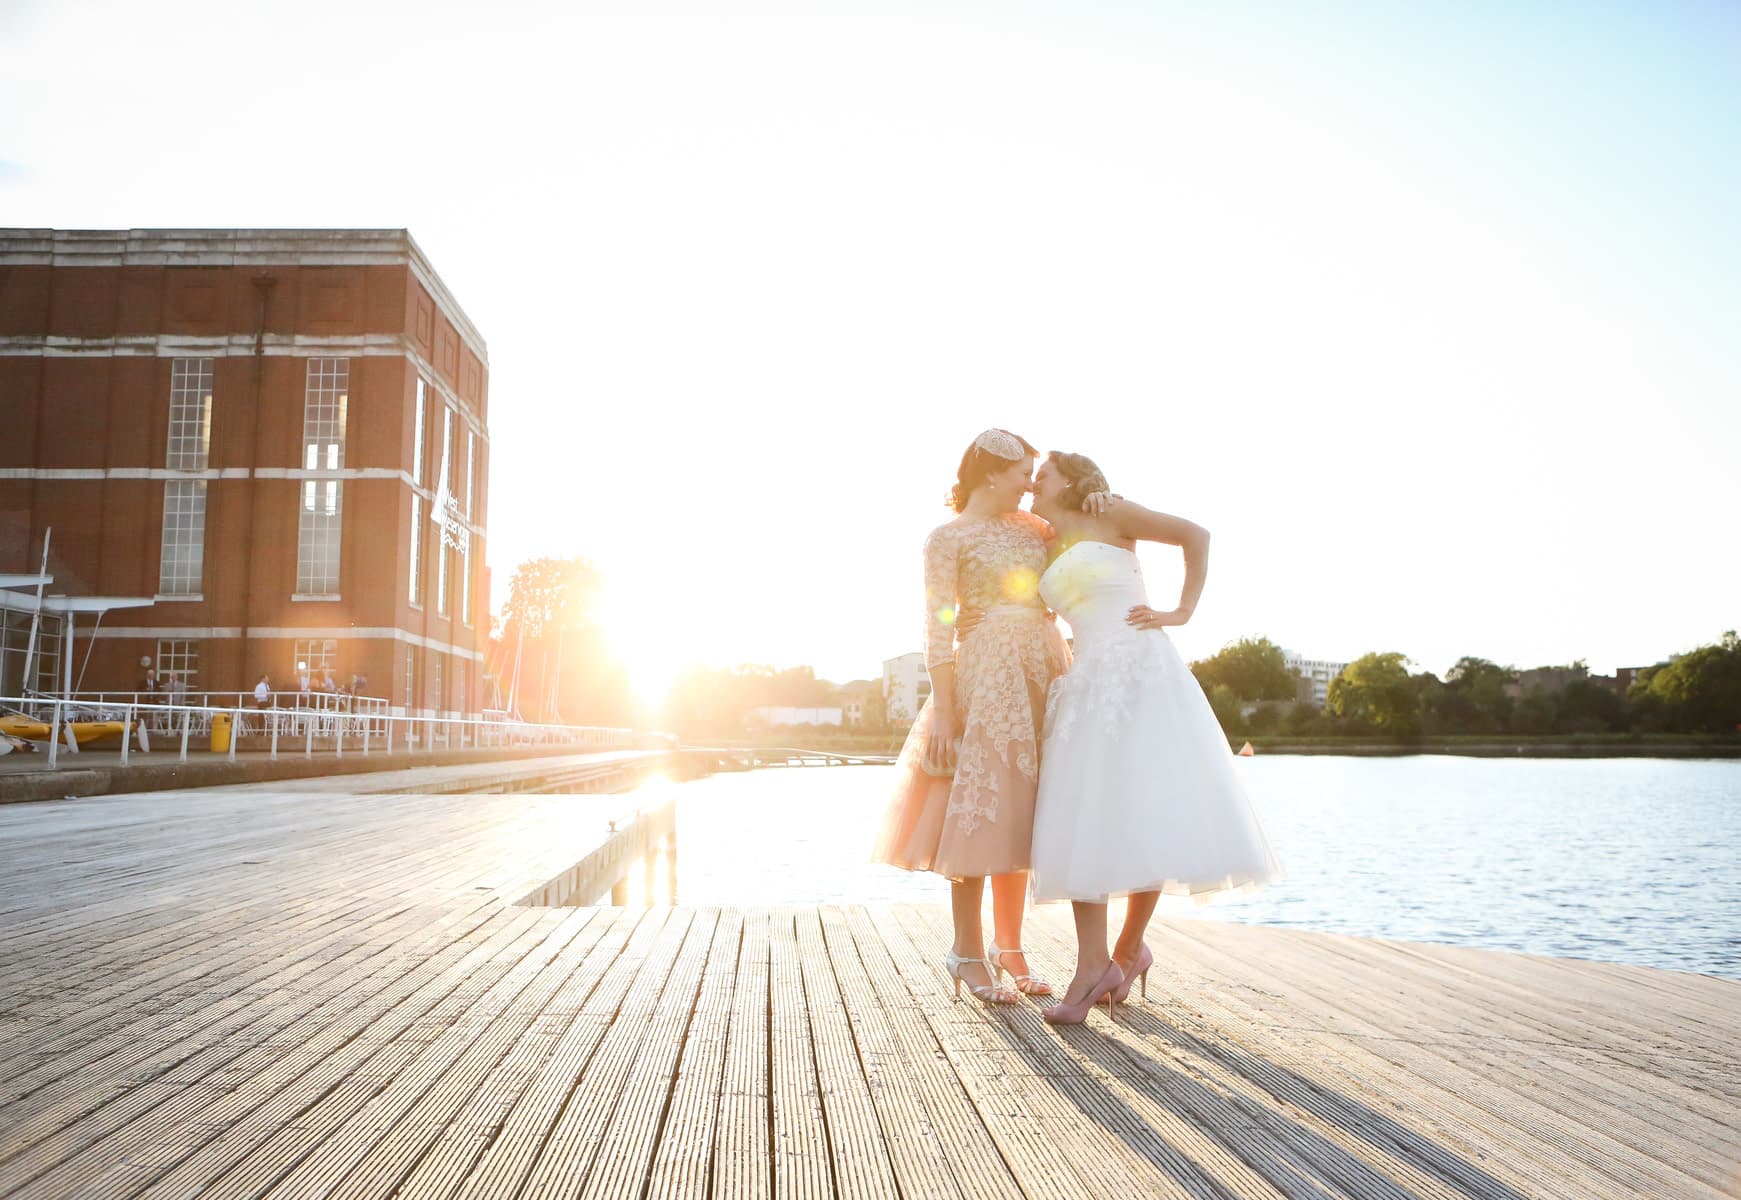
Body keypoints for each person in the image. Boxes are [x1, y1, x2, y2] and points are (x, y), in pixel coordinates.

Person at [1027, 451, 1281, 1024]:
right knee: (1083, 815)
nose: (1034, 484)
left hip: (1140, 670)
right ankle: (1096, 962)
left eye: (1043, 475)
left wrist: (1181, 611)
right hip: (1085, 680)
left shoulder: (1112, 512)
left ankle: (1127, 950)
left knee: (1152, 804)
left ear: (1072, 480)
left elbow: (1196, 534)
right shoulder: (1041, 542)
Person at [871, 429, 1081, 1005]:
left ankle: (1008, 948)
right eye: (1022, 475)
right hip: (985, 679)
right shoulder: (947, 539)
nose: (1030, 486)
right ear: (992, 472)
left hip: (1045, 669)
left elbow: (1085, 558)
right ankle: (966, 950)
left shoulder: (1039, 529)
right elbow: (937, 627)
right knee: (979, 811)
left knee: (1024, 813)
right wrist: (944, 710)